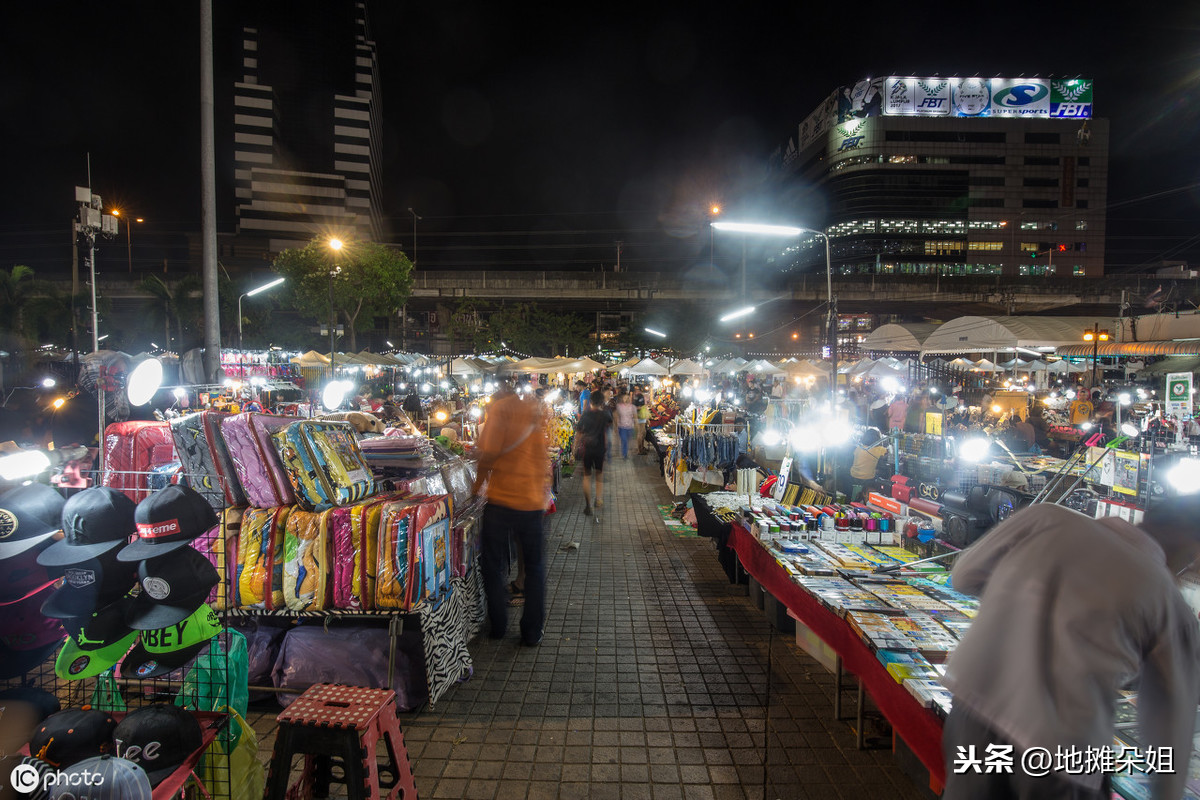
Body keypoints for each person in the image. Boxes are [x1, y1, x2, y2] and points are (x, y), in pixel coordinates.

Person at [941, 501, 1200, 800]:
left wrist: (1019, 605)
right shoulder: (1169, 602)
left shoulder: (1048, 518)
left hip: (973, 716)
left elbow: (963, 576)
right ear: (1191, 547)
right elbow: (1171, 722)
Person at [472, 380, 551, 647]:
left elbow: (489, 452)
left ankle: (498, 625)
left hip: (501, 499)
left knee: (492, 565)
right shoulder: (532, 411)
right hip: (530, 501)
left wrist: (476, 486)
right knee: (535, 567)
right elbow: (542, 455)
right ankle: (531, 633)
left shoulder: (500, 409)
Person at [575, 393, 612, 516]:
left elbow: (579, 433)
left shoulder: (586, 414)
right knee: (599, 474)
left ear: (590, 402)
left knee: (586, 476)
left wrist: (574, 449)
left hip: (588, 449)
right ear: (602, 402)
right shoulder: (605, 415)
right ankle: (599, 499)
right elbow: (608, 430)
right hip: (600, 448)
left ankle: (588, 504)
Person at [614, 391, 635, 459]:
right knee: (624, 440)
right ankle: (624, 453)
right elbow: (616, 416)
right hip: (622, 426)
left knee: (628, 440)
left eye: (627, 398)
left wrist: (636, 425)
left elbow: (635, 417)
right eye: (625, 398)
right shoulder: (619, 406)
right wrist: (616, 425)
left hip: (630, 426)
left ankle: (626, 451)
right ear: (622, 399)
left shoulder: (632, 407)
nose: (626, 399)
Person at [633, 389, 649, 455]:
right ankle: (640, 450)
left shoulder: (638, 396)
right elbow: (637, 407)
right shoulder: (639, 396)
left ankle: (641, 447)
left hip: (641, 416)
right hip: (640, 416)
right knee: (640, 433)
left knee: (643, 432)